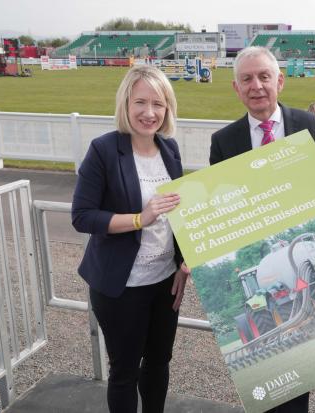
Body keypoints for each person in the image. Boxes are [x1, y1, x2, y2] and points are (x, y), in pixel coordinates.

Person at [210, 46, 315, 413]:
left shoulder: (308, 126)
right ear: (236, 88)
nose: (256, 86)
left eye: (264, 77)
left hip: (295, 244)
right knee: (269, 386)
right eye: (247, 79)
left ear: (279, 81)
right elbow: (220, 210)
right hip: (260, 246)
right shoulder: (223, 141)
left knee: (300, 381)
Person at [72, 65, 190, 413]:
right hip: (121, 285)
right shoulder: (104, 150)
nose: (149, 113)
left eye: (158, 104)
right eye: (140, 102)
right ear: (126, 103)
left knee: (158, 364)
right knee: (124, 371)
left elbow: (177, 214)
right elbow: (82, 216)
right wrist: (141, 217)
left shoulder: (170, 150)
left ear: (168, 108)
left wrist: (184, 262)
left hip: (164, 283)